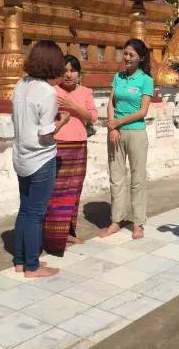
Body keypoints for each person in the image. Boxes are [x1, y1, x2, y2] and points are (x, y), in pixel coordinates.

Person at [12, 40, 71, 278]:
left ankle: (20, 260)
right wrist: (62, 122)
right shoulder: (47, 92)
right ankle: (32, 266)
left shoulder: (21, 85)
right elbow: (46, 134)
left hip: (21, 156)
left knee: (25, 209)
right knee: (35, 214)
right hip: (40, 157)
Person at [43, 55, 98, 254]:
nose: (68, 75)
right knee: (56, 192)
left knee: (73, 191)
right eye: (64, 70)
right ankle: (52, 236)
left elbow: (93, 117)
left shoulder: (86, 92)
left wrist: (72, 105)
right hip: (57, 146)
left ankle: (68, 231)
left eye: (73, 70)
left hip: (79, 146)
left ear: (78, 73)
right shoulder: (51, 91)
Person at [100, 38, 154, 240]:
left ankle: (138, 222)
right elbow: (111, 103)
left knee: (137, 178)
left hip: (136, 133)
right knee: (116, 177)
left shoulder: (146, 80)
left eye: (132, 55)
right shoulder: (118, 77)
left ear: (141, 58)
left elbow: (142, 111)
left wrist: (118, 122)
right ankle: (116, 220)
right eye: (125, 53)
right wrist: (112, 126)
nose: (127, 58)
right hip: (115, 133)